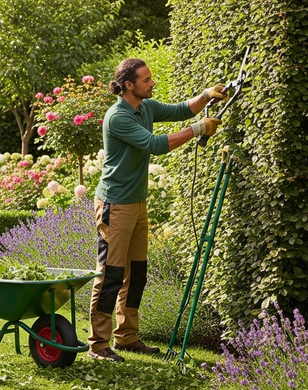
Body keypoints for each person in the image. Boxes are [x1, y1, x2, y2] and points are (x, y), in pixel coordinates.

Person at [87, 58, 225, 362]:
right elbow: (155, 144)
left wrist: (206, 95)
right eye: (146, 80)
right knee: (111, 274)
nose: (152, 83)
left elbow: (181, 110)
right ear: (128, 85)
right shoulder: (118, 117)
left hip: (137, 203)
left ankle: (126, 336)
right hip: (114, 205)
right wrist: (198, 129)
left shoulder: (146, 107)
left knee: (136, 274)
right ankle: (98, 345)